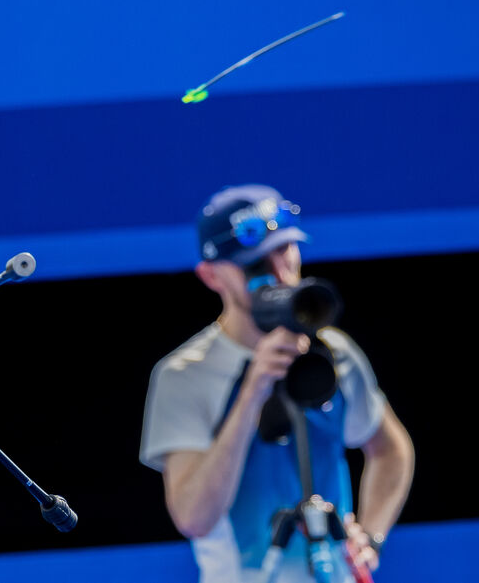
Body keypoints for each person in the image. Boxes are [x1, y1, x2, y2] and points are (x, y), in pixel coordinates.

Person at [140, 184, 414, 583]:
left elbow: (392, 450)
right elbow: (193, 517)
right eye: (255, 264)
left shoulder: (334, 351)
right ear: (211, 276)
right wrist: (253, 391)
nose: (279, 273)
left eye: (285, 250)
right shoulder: (183, 375)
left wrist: (371, 538)